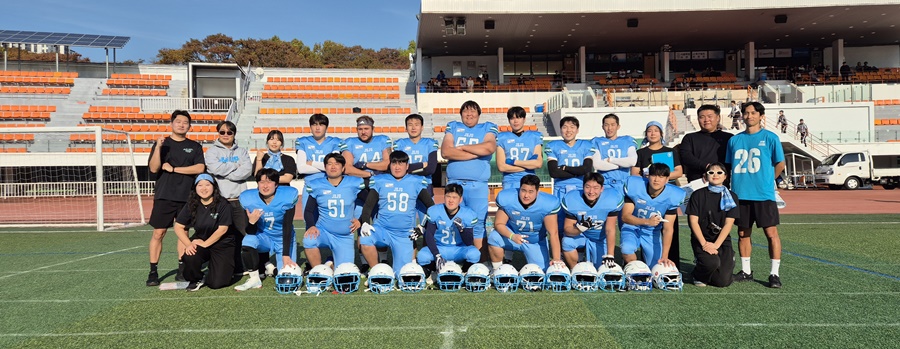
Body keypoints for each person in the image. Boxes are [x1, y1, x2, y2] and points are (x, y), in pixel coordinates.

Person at [726, 101, 786, 288]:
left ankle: (774, 274)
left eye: (753, 113)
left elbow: (780, 164)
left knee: (771, 233)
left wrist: (769, 182)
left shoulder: (770, 138)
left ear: (761, 116)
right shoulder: (734, 140)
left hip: (763, 195)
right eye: (746, 113)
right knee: (743, 232)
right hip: (740, 194)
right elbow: (729, 166)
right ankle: (746, 271)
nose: (749, 116)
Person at [146, 110, 206, 287]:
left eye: (185, 122)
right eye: (178, 121)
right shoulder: (162, 145)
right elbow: (154, 168)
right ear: (172, 123)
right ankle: (153, 271)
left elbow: (200, 168)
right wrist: (157, 148)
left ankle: (182, 269)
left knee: (183, 233)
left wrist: (174, 169)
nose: (181, 124)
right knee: (159, 233)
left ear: (189, 126)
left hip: (187, 196)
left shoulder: (194, 146)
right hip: (164, 196)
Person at [357, 151, 435, 273]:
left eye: (401, 163)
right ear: (390, 165)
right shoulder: (380, 180)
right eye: (394, 163)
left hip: (404, 234)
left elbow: (432, 207)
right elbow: (368, 206)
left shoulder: (415, 181)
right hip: (382, 229)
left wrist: (422, 227)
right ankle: (377, 271)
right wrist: (366, 222)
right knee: (365, 239)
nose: (397, 167)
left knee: (402, 273)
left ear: (407, 166)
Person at [440, 100, 498, 259]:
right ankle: (453, 258)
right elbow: (445, 152)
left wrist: (461, 148)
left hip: (477, 186)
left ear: (479, 114)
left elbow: (489, 147)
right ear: (461, 114)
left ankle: (479, 261)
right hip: (454, 185)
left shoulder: (487, 127)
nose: (469, 114)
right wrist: (477, 152)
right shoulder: (453, 126)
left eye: (473, 111)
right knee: (452, 221)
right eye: (465, 111)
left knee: (478, 224)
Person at [234, 168, 299, 291]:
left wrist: (286, 255)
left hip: (282, 238)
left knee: (287, 278)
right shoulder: (249, 198)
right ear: (257, 184)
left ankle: (272, 269)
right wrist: (252, 222)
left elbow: (287, 226)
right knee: (248, 240)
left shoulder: (287, 196)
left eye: (269, 182)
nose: (265, 185)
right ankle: (254, 279)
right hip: (264, 237)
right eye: (261, 182)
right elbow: (250, 231)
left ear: (276, 184)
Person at [632, 121, 683, 270]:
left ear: (661, 133)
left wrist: (661, 176)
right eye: (649, 131)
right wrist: (648, 175)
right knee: (646, 230)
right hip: (647, 193)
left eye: (656, 130)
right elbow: (635, 173)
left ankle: (671, 264)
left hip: (666, 194)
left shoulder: (670, 151)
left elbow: (679, 171)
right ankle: (644, 265)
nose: (653, 133)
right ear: (646, 134)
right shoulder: (641, 153)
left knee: (669, 227)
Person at [174, 174, 238, 291]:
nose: (204, 188)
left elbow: (222, 229)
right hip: (201, 240)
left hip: (222, 244)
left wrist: (205, 244)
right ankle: (197, 278)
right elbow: (178, 226)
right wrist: (189, 244)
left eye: (207, 185)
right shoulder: (192, 204)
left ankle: (224, 270)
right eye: (200, 185)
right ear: (195, 188)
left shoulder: (223, 204)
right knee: (190, 255)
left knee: (217, 283)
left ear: (214, 187)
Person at [204, 121, 252, 273]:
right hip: (221, 201)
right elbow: (214, 168)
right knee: (220, 235)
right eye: (222, 132)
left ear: (234, 134)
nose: (225, 135)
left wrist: (224, 172)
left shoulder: (242, 152)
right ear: (218, 133)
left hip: (239, 200)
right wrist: (235, 167)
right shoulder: (212, 152)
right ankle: (218, 266)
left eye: (229, 132)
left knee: (242, 235)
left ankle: (240, 266)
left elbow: (247, 171)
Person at [487, 175, 563, 271]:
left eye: (531, 192)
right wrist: (512, 236)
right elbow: (498, 224)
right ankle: (497, 270)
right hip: (513, 236)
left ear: (537, 191)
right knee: (494, 237)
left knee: (541, 271)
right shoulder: (508, 198)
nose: (526, 195)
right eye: (523, 190)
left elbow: (553, 233)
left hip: (535, 242)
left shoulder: (547, 203)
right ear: (519, 189)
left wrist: (556, 258)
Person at [302, 153, 366, 267]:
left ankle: (330, 263)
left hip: (344, 236)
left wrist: (360, 220)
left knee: (344, 274)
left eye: (337, 164)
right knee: (309, 240)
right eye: (329, 164)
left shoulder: (353, 183)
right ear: (325, 167)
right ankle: (319, 270)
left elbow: (369, 203)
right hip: (324, 232)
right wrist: (311, 225)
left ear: (343, 168)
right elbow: (308, 211)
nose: (333, 167)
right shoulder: (317, 185)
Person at [620, 164, 686, 269]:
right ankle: (635, 271)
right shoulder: (636, 186)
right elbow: (625, 217)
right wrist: (647, 221)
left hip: (651, 232)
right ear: (648, 176)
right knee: (626, 250)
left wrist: (665, 256)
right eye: (653, 175)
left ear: (667, 179)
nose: (656, 180)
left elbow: (668, 229)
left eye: (661, 176)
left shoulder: (673, 196)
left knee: (656, 265)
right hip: (632, 227)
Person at [686, 163, 737, 287]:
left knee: (723, 282)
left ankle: (727, 260)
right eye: (711, 172)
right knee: (711, 263)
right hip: (702, 239)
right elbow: (693, 222)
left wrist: (716, 245)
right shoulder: (697, 195)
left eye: (719, 172)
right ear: (705, 176)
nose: (715, 175)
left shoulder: (732, 196)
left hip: (721, 241)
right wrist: (704, 244)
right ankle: (698, 273)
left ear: (725, 176)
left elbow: (728, 224)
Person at [560, 173, 622, 269]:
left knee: (599, 269)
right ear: (583, 186)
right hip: (582, 236)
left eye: (596, 187)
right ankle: (575, 269)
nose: (591, 191)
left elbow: (610, 229)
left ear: (602, 189)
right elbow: (567, 229)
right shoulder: (572, 199)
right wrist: (579, 228)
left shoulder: (611, 199)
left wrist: (610, 254)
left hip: (601, 239)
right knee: (567, 242)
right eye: (587, 187)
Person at [417, 183, 480, 277]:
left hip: (459, 249)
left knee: (474, 254)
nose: (451, 200)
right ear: (444, 197)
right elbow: (429, 234)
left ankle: (464, 272)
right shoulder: (435, 211)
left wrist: (461, 229)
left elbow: (469, 242)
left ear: (460, 199)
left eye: (454, 197)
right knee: (422, 256)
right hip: (440, 248)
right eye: (448, 196)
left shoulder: (468, 214)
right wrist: (436, 254)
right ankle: (434, 270)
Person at [545, 116, 595, 233]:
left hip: (580, 189)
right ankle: (563, 250)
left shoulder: (585, 145)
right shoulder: (553, 146)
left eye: (572, 127)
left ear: (577, 130)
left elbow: (587, 169)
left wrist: (565, 168)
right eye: (565, 127)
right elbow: (554, 172)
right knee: (560, 222)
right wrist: (578, 171)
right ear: (560, 129)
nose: (568, 130)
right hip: (560, 189)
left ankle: (581, 249)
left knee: (582, 219)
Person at [295, 113, 345, 218]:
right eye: (314, 124)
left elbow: (334, 168)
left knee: (329, 221)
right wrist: (326, 167)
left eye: (321, 124)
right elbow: (301, 168)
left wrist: (312, 163)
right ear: (310, 127)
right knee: (309, 222)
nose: (317, 128)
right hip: (310, 187)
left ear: (326, 127)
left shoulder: (335, 142)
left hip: (329, 186)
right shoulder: (303, 141)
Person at [394, 113, 438, 219]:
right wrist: (421, 165)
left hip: (425, 185)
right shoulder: (400, 144)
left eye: (417, 124)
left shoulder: (430, 143)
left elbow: (431, 169)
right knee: (407, 223)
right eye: (410, 124)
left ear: (422, 127)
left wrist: (407, 169)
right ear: (406, 128)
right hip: (406, 186)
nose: (413, 127)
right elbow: (397, 169)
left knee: (428, 221)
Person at [679, 105, 733, 183]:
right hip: (697, 182)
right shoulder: (689, 138)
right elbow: (686, 157)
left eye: (709, 116)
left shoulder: (729, 138)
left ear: (718, 118)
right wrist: (706, 166)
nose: (706, 120)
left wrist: (715, 171)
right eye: (702, 117)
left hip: (722, 183)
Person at [496, 106, 543, 190]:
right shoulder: (502, 138)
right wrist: (528, 165)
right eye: (512, 118)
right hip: (510, 182)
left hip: (530, 181)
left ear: (524, 119)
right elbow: (502, 167)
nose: (515, 121)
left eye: (519, 117)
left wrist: (513, 162)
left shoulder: (534, 136)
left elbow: (538, 164)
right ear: (509, 120)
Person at [591, 113, 637, 195]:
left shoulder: (627, 140)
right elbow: (597, 164)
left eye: (613, 125)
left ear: (618, 126)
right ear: (602, 127)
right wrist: (621, 164)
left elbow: (632, 161)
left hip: (624, 183)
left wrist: (610, 160)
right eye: (606, 125)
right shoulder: (597, 141)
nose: (609, 128)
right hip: (605, 183)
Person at [342, 115, 392, 180]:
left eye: (366, 129)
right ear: (356, 130)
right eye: (360, 129)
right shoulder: (350, 142)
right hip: (358, 179)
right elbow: (347, 168)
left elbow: (388, 164)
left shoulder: (383, 140)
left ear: (373, 129)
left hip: (381, 179)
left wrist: (365, 165)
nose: (363, 132)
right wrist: (370, 174)